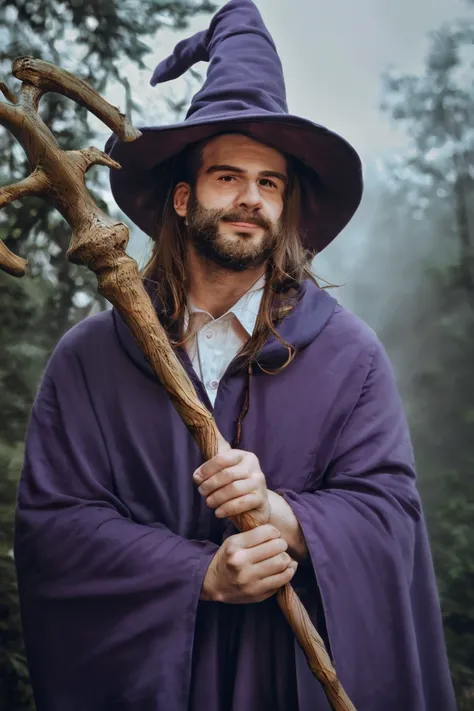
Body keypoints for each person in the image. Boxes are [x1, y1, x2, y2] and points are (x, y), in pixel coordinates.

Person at [14, 1, 456, 710]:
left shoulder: (350, 356)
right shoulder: (91, 359)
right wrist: (198, 572)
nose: (250, 198)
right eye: (228, 177)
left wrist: (288, 518)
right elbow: (55, 526)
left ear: (286, 209)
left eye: (270, 182)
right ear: (184, 198)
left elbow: (389, 514)